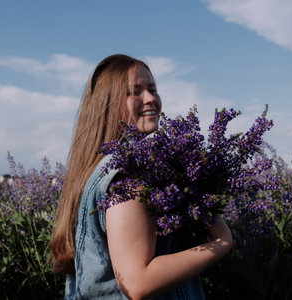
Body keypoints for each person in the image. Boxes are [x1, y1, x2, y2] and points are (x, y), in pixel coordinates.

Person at [50, 54, 233, 299]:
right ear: (108, 104)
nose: (150, 98)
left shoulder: (101, 169)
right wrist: (221, 242)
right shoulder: (127, 178)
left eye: (152, 89)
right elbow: (138, 282)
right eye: (134, 92)